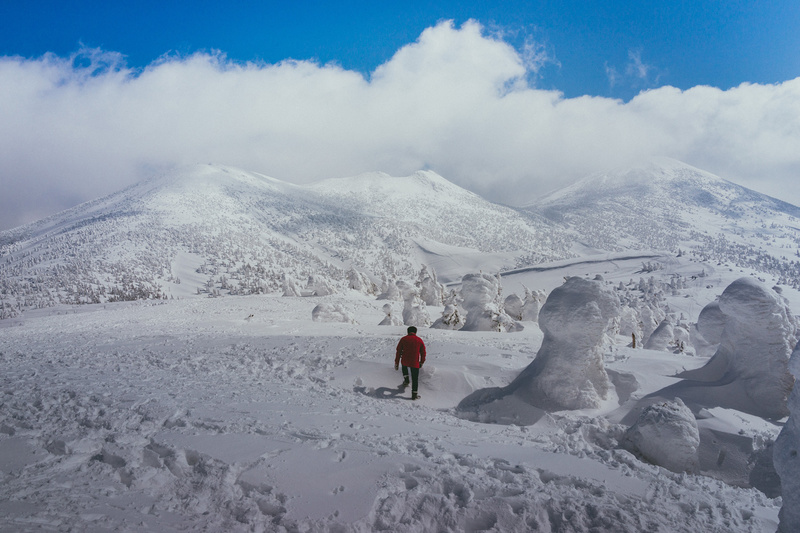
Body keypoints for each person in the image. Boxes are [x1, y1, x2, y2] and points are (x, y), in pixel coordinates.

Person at [395, 326, 426, 400]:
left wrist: (397, 363)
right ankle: (414, 394)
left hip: (404, 360)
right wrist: (421, 362)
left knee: (404, 368)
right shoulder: (419, 340)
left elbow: (398, 351)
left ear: (408, 332)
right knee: (415, 378)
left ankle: (406, 381)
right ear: (415, 332)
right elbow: (423, 352)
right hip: (415, 362)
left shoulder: (403, 339)